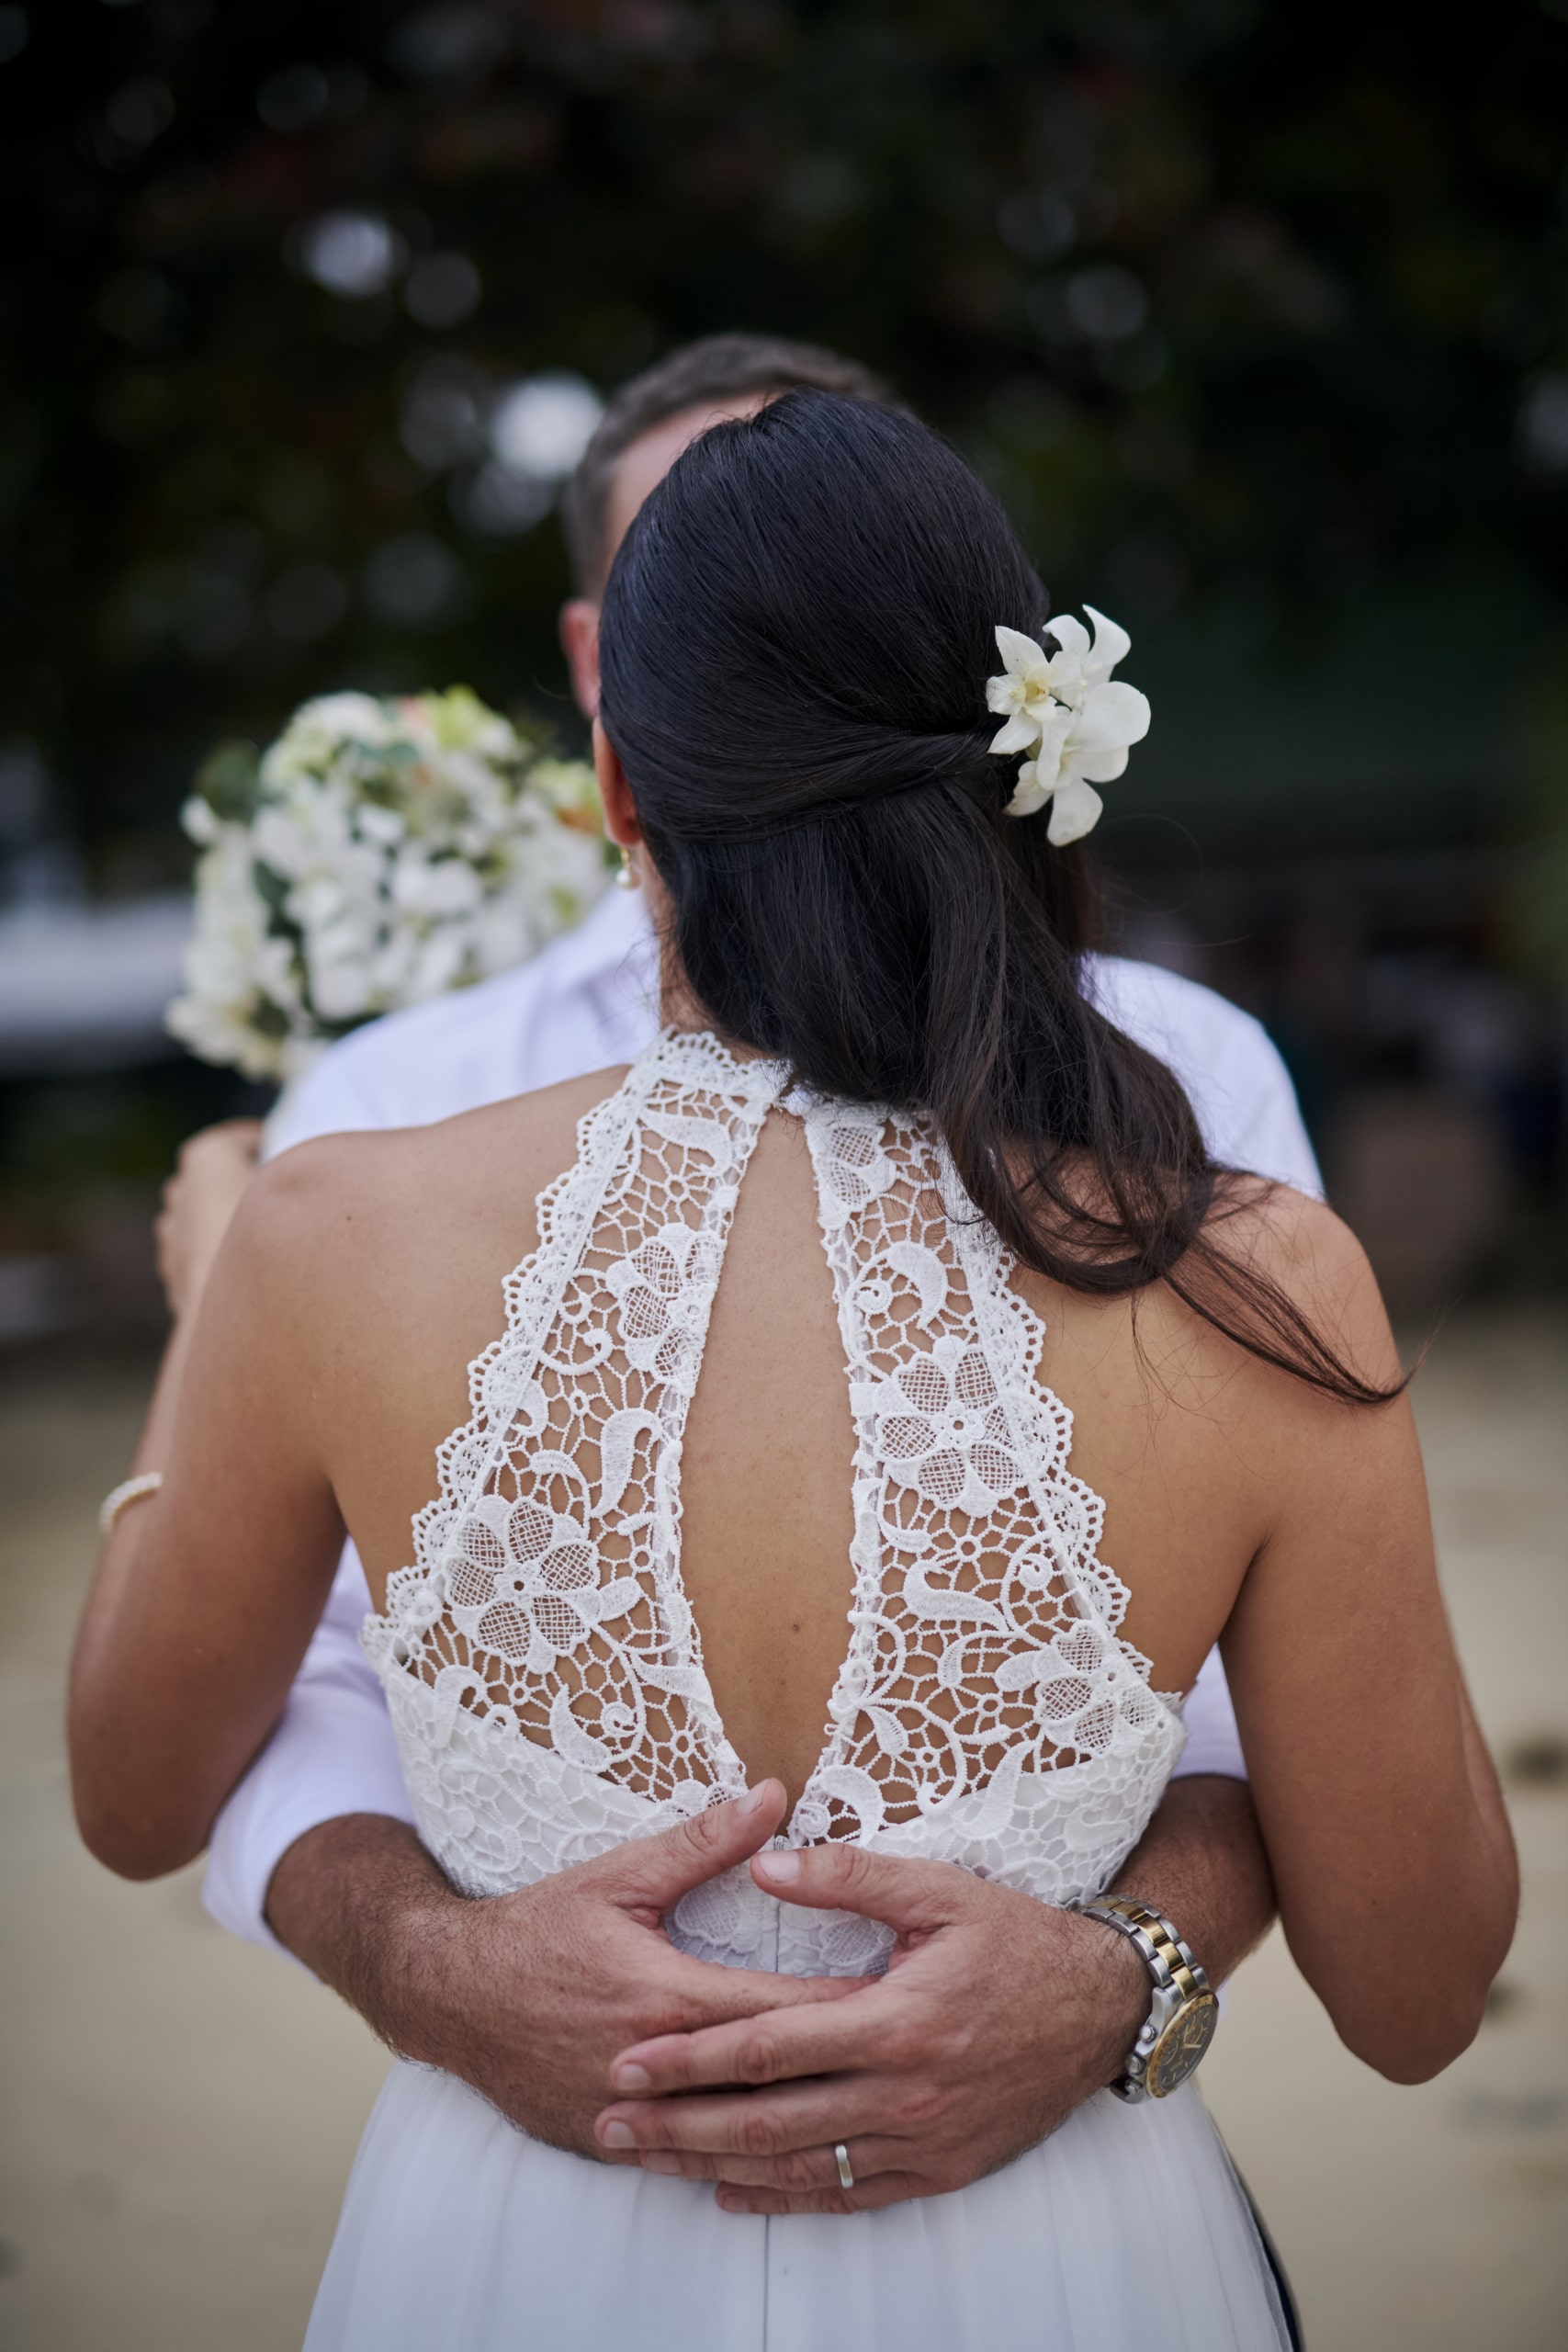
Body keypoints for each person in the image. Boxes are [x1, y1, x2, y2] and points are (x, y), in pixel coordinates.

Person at [72, 389, 1514, 2348]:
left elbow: (135, 1790)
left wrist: (216, 1308)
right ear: (1023, 764)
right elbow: (1422, 1995)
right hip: (1066, 2263)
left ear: (618, 790)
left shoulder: (328, 1235)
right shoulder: (1246, 1264)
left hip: (514, 2258)